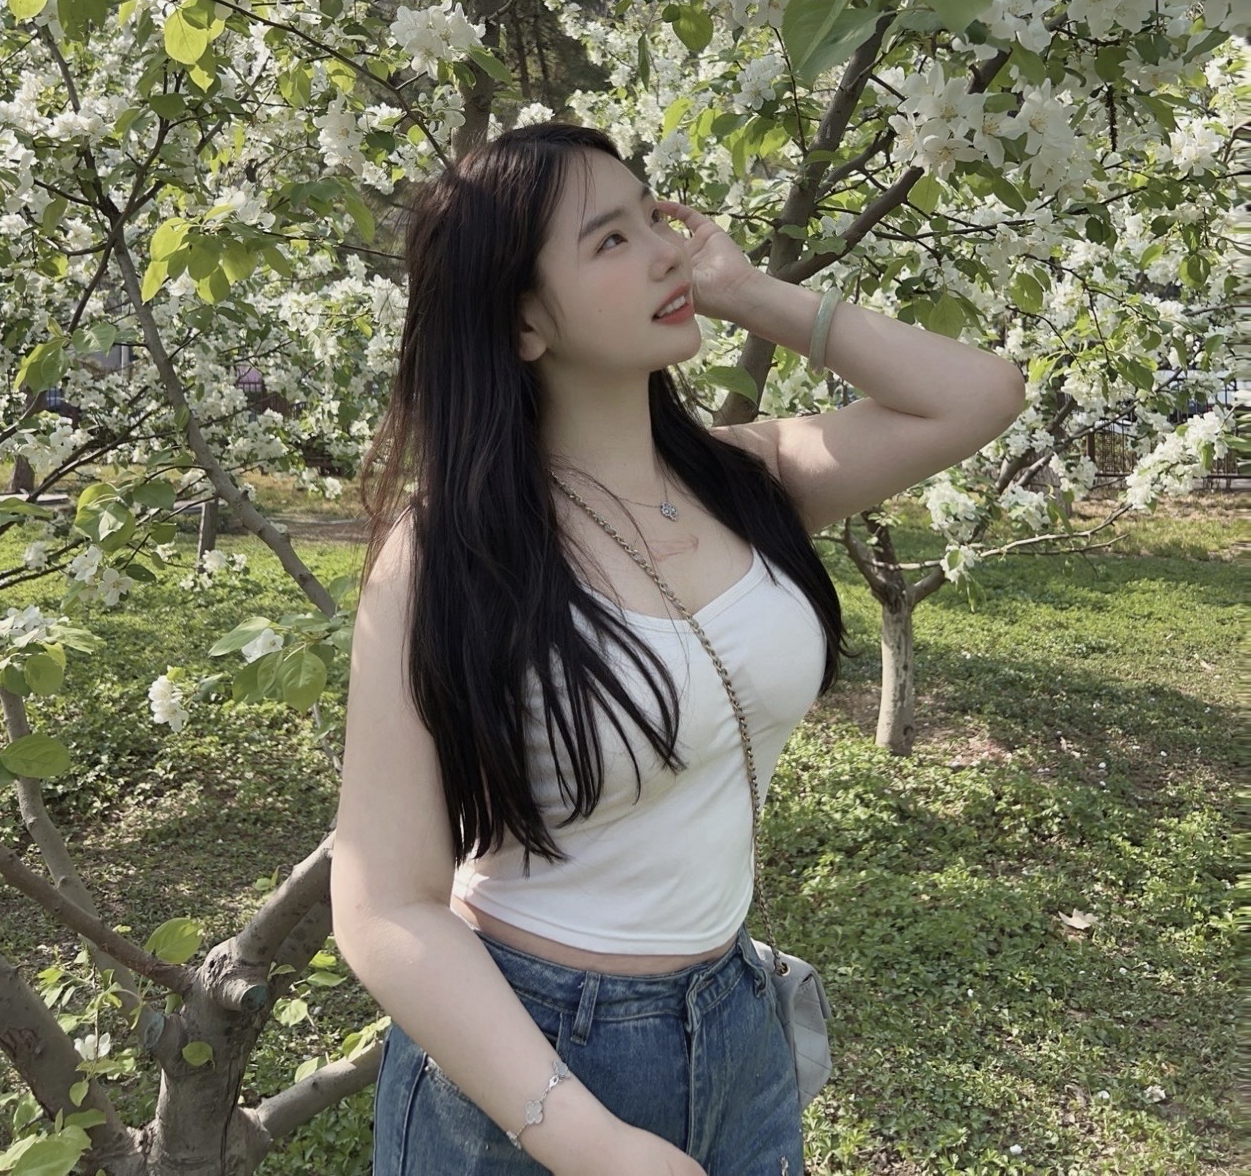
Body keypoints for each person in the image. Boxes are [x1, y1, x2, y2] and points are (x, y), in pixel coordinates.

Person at [330, 122, 1026, 1176]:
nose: (667, 250)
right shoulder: (449, 555)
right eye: (609, 239)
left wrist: (749, 294)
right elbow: (382, 902)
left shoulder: (746, 477)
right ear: (523, 318)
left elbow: (980, 392)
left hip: (734, 1020)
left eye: (653, 217)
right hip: (525, 1056)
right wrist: (589, 1140)